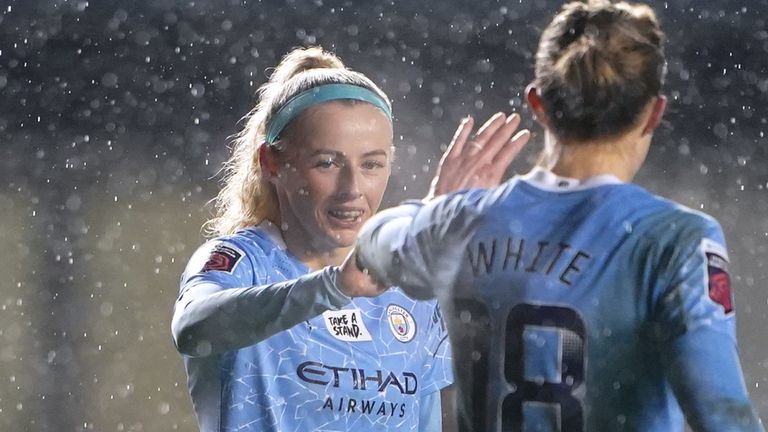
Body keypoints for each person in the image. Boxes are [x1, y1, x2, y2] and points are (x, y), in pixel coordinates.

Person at [351, 1, 765, 431]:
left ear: (538, 103)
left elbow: (375, 238)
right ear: (654, 113)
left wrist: (437, 211)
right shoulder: (674, 240)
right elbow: (723, 417)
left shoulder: (458, 223)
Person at [170, 46, 529, 432]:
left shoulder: (410, 289)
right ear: (272, 164)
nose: (352, 189)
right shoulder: (243, 261)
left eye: (371, 164)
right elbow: (193, 328)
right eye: (327, 163)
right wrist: (333, 287)